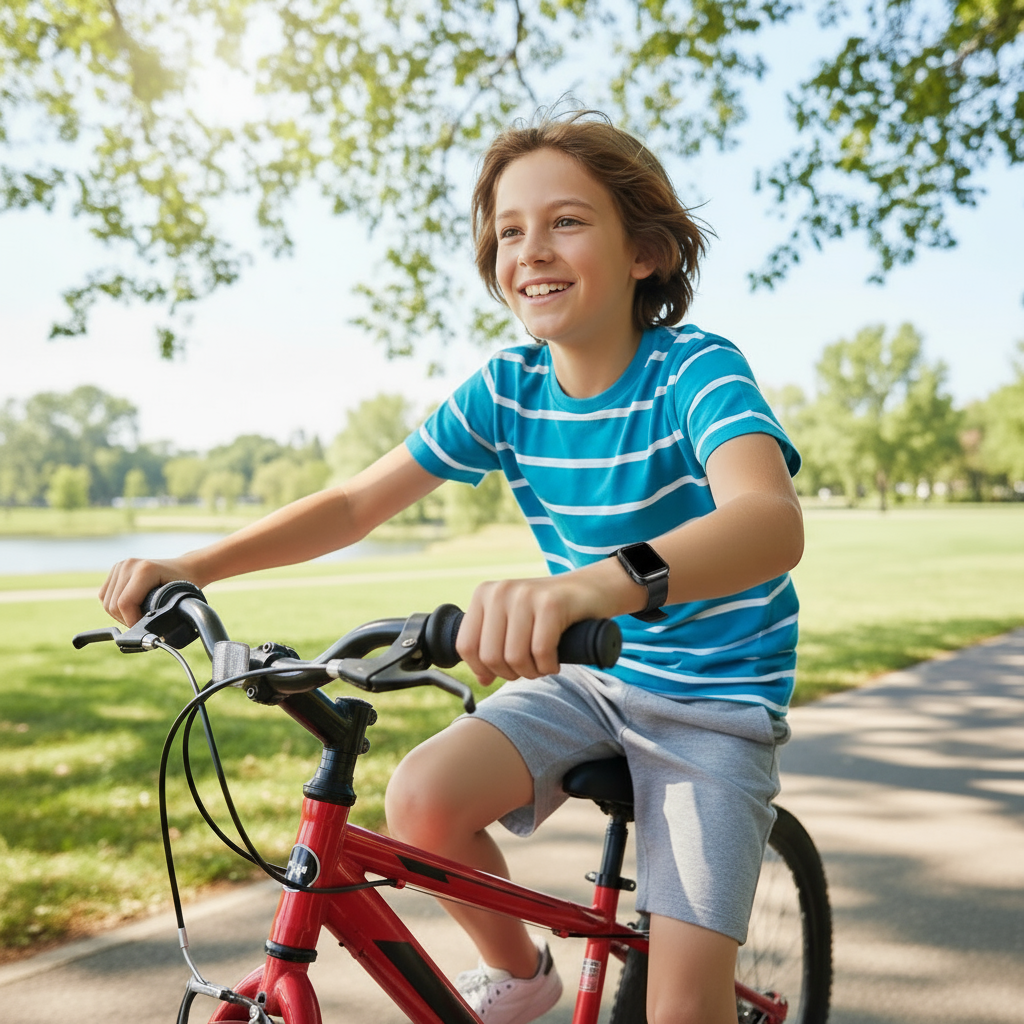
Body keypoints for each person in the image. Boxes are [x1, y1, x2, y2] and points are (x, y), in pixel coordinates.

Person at [100, 108, 803, 1024]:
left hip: (715, 702)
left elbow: (767, 520)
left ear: (647, 253)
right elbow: (356, 504)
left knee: (679, 1009)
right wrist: (195, 564)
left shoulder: (693, 370)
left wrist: (591, 586)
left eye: (567, 222)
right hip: (593, 677)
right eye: (510, 231)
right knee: (421, 797)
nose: (531, 250)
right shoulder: (507, 390)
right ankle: (521, 977)